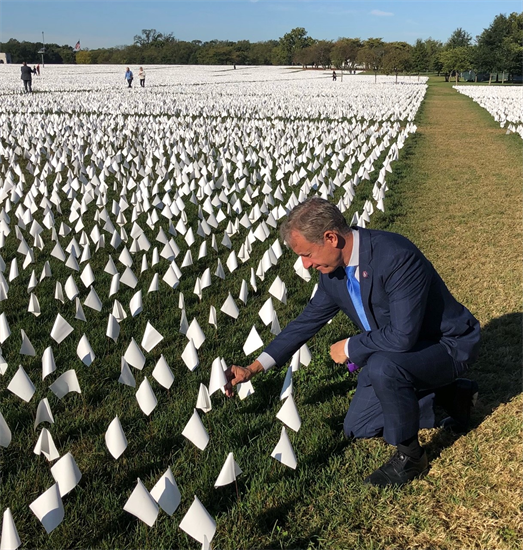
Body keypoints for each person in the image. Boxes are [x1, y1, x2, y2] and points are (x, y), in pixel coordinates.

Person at [226, 198, 480, 488]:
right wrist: (253, 368)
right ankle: (452, 396)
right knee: (359, 426)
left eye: (307, 254)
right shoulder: (332, 273)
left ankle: (411, 458)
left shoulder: (395, 256)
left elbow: (402, 336)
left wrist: (349, 347)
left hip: (445, 344)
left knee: (385, 367)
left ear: (331, 238)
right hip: (399, 353)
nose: (306, 265)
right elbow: (306, 322)